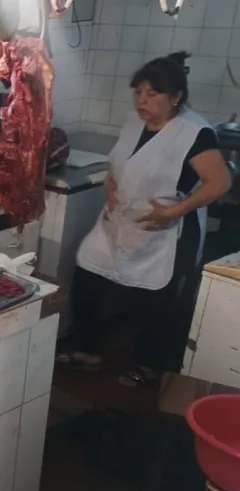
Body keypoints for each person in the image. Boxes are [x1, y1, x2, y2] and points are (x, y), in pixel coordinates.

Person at [66, 52, 231, 387]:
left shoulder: (194, 133)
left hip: (168, 230)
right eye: (138, 92)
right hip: (119, 222)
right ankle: (88, 350)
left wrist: (171, 212)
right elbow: (120, 161)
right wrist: (111, 183)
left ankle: (150, 365)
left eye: (152, 94)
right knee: (87, 277)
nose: (142, 100)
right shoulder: (135, 122)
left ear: (176, 97)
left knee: (157, 300)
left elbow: (220, 182)